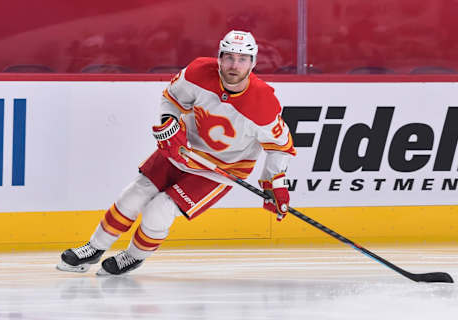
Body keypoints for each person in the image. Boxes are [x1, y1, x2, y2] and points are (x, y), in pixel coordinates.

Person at [56, 30, 297, 276]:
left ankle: (133, 256)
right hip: (182, 149)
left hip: (220, 170)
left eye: (242, 59)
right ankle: (93, 248)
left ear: (253, 63)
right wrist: (169, 122)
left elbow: (280, 146)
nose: (235, 65)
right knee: (134, 194)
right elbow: (170, 100)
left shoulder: (264, 102)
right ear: (219, 57)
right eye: (229, 57)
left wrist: (274, 182)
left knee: (159, 209)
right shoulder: (198, 72)